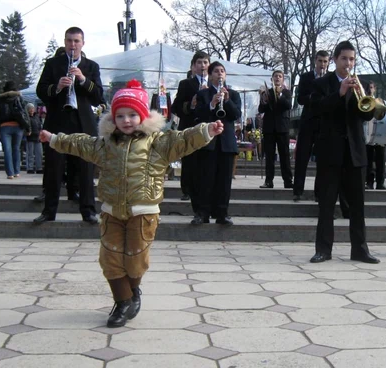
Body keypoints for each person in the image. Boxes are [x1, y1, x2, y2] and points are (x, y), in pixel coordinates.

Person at [39, 80, 223, 327]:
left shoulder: (158, 142)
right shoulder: (105, 145)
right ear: (113, 119)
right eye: (121, 116)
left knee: (135, 258)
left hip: (143, 211)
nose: (126, 120)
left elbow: (183, 139)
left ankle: (133, 291)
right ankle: (123, 301)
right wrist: (53, 139)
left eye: (132, 114)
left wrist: (206, 130)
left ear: (143, 116)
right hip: (112, 210)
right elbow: (79, 143)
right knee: (110, 258)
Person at [309, 41, 379, 264]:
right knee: (327, 204)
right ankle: (323, 250)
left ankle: (360, 250)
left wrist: (365, 97)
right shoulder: (322, 84)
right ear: (335, 60)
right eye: (344, 59)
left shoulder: (363, 84)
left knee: (357, 205)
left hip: (355, 152)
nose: (348, 63)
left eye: (351, 59)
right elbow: (317, 110)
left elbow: (367, 115)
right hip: (330, 151)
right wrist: (339, 93)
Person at [34, 26, 104, 225]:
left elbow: (98, 95)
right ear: (65, 42)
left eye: (76, 41)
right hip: (58, 120)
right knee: (54, 168)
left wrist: (82, 79)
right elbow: (41, 91)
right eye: (69, 41)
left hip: (83, 122)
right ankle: (49, 211)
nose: (73, 45)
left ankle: (88, 211)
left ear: (83, 43)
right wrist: (57, 87)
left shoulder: (91, 66)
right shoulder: (53, 64)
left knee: (85, 168)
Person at [193, 61, 241, 225]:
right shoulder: (203, 94)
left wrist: (226, 101)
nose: (219, 74)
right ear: (210, 75)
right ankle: (202, 213)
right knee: (205, 178)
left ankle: (222, 213)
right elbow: (198, 115)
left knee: (224, 180)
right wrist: (212, 103)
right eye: (216, 71)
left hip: (226, 142)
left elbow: (235, 115)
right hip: (208, 141)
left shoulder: (233, 94)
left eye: (222, 71)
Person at [171, 51, 210, 204]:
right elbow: (176, 107)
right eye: (199, 62)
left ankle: (205, 189)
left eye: (205, 62)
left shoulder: (216, 83)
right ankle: (187, 190)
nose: (202, 66)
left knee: (206, 160)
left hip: (207, 127)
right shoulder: (185, 84)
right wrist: (190, 105)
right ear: (193, 66)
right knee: (189, 159)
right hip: (189, 126)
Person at [294, 51, 329, 201]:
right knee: (302, 157)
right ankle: (297, 191)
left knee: (323, 160)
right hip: (308, 121)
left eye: (325, 62)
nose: (322, 64)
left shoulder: (330, 78)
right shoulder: (305, 77)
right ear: (315, 61)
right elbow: (300, 98)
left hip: (324, 123)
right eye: (320, 61)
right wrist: (313, 98)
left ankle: (319, 192)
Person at [259, 70, 293, 189]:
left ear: (283, 79)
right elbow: (261, 109)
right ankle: (269, 181)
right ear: (272, 79)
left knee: (285, 155)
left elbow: (289, 105)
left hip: (282, 128)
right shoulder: (266, 92)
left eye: (280, 76)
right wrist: (264, 99)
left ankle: (288, 181)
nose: (277, 78)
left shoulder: (287, 92)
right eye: (275, 76)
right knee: (269, 156)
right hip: (269, 128)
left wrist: (279, 95)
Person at [0, 81, 30, 179]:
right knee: (16, 149)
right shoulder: (19, 98)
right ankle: (17, 171)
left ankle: (10, 173)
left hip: (5, 126)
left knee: (7, 150)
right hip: (18, 126)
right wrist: (28, 127)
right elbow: (25, 114)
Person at [364, 80, 386, 190]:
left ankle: (380, 182)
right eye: (368, 87)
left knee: (381, 159)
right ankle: (369, 182)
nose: (370, 89)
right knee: (368, 160)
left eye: (372, 87)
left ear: (375, 89)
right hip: (366, 134)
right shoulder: (363, 101)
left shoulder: (381, 101)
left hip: (379, 133)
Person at [25, 103, 44, 174]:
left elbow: (39, 126)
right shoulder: (26, 117)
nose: (31, 110)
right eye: (30, 108)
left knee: (39, 153)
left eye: (32, 108)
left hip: (37, 137)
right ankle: (30, 168)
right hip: (30, 138)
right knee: (30, 154)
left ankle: (39, 167)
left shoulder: (37, 117)